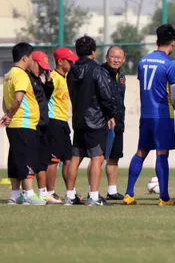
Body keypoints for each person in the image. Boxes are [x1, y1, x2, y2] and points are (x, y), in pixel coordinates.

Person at [123, 24, 175, 206]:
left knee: (141, 152)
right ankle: (163, 197)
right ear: (173, 43)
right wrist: (173, 109)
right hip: (162, 114)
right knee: (162, 154)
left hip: (145, 114)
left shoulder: (143, 61)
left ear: (157, 41)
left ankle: (129, 193)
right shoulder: (171, 64)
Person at [65, 36, 116, 206]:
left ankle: (69, 195)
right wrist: (110, 114)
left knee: (76, 157)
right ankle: (94, 196)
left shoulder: (71, 71)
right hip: (95, 120)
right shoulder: (97, 69)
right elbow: (105, 95)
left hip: (78, 119)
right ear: (94, 51)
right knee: (97, 157)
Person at [2, 43, 46, 205]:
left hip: (15, 124)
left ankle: (14, 195)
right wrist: (11, 114)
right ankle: (28, 193)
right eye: (31, 58)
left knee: (15, 158)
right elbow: (18, 98)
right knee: (27, 157)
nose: (32, 62)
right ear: (25, 58)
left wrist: (7, 115)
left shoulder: (8, 74)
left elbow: (5, 100)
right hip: (24, 123)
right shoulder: (21, 75)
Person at [46, 47, 79, 202]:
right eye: (69, 60)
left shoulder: (65, 78)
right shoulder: (52, 77)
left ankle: (70, 193)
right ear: (60, 61)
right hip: (53, 122)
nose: (72, 63)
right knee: (53, 160)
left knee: (68, 159)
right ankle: (50, 192)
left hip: (63, 122)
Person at [29, 51, 58, 204]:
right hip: (32, 125)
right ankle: (26, 192)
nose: (41, 70)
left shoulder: (38, 80)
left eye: (44, 68)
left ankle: (42, 192)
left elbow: (45, 97)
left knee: (42, 161)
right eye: (39, 67)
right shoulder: (27, 79)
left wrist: (47, 79)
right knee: (29, 160)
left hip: (43, 125)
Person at [101, 46, 127, 201]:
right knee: (98, 157)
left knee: (114, 157)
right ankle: (93, 191)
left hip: (118, 122)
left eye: (119, 57)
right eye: (113, 56)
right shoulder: (100, 73)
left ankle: (112, 191)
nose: (116, 60)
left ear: (123, 59)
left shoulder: (121, 75)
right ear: (106, 57)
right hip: (103, 122)